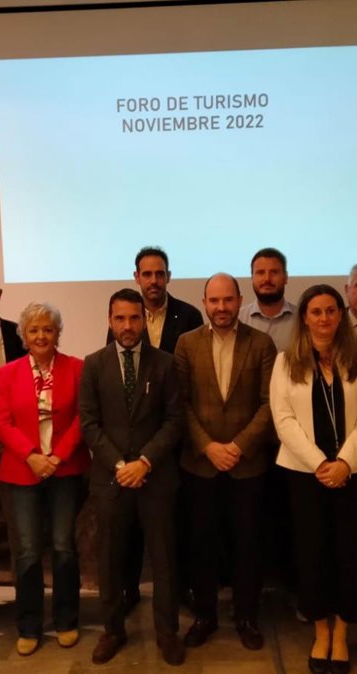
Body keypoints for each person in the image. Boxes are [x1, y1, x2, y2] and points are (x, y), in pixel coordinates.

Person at [271, 284, 357, 674]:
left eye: (331, 310)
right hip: (305, 474)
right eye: (315, 312)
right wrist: (320, 463)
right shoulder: (285, 363)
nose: (324, 318)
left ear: (340, 315)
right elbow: (283, 420)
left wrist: (344, 462)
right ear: (304, 318)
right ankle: (320, 631)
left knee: (350, 553)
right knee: (311, 553)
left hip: (353, 472)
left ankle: (343, 633)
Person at [80, 288, 184, 666]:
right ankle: (113, 630)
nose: (127, 325)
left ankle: (167, 632)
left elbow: (175, 421)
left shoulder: (166, 364)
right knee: (109, 560)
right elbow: (89, 423)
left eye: (134, 318)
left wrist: (144, 461)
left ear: (145, 320)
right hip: (111, 480)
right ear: (110, 321)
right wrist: (120, 466)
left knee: (164, 559)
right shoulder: (94, 364)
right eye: (120, 318)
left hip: (156, 478)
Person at [174, 273, 276, 651]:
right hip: (200, 464)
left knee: (248, 543)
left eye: (228, 300)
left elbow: (270, 403)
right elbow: (180, 403)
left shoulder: (261, 343)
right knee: (202, 543)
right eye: (214, 300)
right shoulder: (186, 344)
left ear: (239, 300)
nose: (221, 307)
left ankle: (246, 616)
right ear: (204, 303)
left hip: (247, 465)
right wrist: (208, 446)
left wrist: (237, 446)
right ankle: (205, 615)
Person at [104, 245, 203, 614]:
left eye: (160, 274)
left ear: (168, 276)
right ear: (137, 277)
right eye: (146, 274)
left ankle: (179, 589)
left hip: (173, 438)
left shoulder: (189, 315)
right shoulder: (123, 319)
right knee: (129, 529)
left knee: (174, 526)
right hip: (130, 446)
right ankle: (129, 589)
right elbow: (116, 380)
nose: (154, 280)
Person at [0, 302, 89, 656]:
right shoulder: (9, 373)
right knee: (28, 552)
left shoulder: (77, 368)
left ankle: (66, 620)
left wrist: (57, 456)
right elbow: (1, 422)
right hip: (22, 471)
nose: (41, 336)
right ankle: (29, 625)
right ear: (23, 335)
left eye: (48, 329)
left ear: (57, 333)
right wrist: (32, 456)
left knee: (63, 547)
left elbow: (83, 418)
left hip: (66, 469)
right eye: (33, 330)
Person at [241, 247, 297, 352]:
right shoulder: (239, 319)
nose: (267, 278)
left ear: (286, 277)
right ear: (252, 278)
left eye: (274, 272)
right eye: (260, 272)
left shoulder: (302, 319)